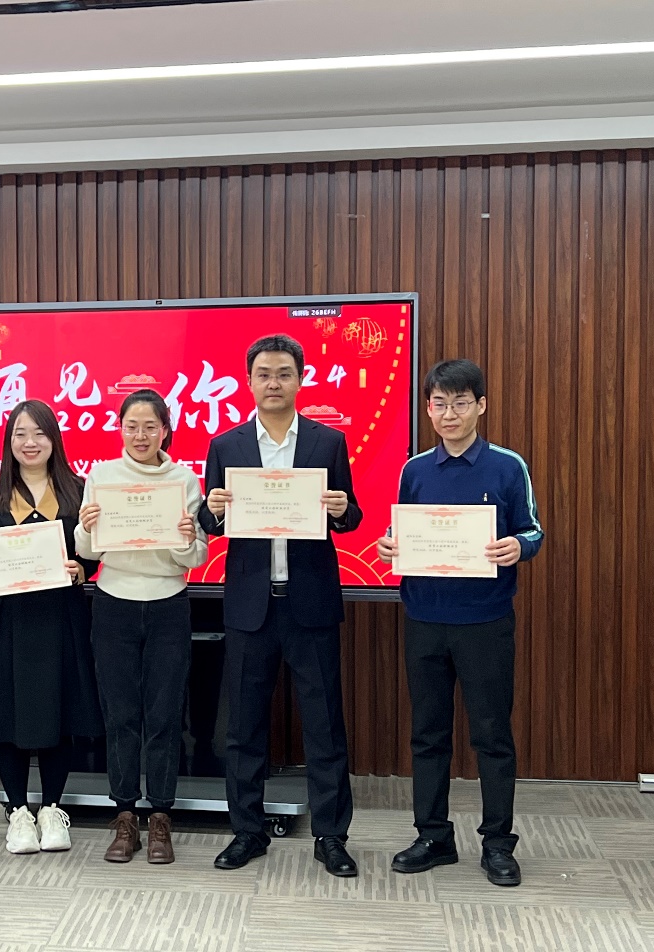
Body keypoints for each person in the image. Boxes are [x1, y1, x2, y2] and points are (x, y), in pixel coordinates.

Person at [199, 334, 361, 877]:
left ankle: (331, 836)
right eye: (264, 374)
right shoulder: (226, 446)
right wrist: (212, 509)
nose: (274, 383)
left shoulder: (327, 442)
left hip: (309, 603)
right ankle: (247, 831)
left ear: (300, 379)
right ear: (249, 381)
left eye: (284, 373)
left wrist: (340, 509)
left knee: (324, 725)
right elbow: (209, 522)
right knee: (243, 728)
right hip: (250, 606)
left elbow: (351, 516)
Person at [377, 359, 543, 888]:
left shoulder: (507, 466)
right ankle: (433, 836)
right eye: (439, 404)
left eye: (461, 403)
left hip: (485, 620)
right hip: (424, 619)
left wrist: (518, 546)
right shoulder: (414, 470)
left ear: (481, 406)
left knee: (492, 735)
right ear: (428, 409)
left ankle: (497, 843)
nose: (449, 414)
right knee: (428, 735)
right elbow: (400, 532)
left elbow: (533, 531)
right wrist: (390, 546)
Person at [0, 399, 103, 855]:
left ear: (53, 439)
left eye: (39, 433)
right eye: (20, 434)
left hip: (61, 618)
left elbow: (95, 551)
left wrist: (82, 568)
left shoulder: (79, 492)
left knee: (61, 713)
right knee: (7, 714)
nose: (30, 442)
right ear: (9, 441)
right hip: (6, 620)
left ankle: (53, 809)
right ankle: (19, 811)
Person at [75, 388, 207, 864]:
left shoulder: (183, 479)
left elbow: (196, 556)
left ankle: (161, 818)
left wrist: (185, 538)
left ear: (165, 430)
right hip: (114, 603)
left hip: (169, 602)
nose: (141, 435)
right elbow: (88, 551)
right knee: (121, 714)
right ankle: (126, 816)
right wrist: (86, 526)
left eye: (150, 426)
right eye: (132, 426)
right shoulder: (102, 476)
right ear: (120, 429)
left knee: (165, 714)